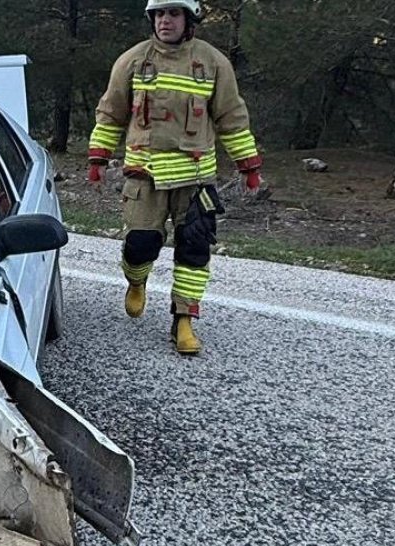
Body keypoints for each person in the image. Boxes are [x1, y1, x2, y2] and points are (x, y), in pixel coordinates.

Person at [86, 0, 262, 355]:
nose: (166, 20)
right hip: (144, 174)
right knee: (141, 244)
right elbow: (111, 114)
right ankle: (137, 281)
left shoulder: (213, 63)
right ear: (152, 18)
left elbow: (231, 117)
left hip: (195, 176)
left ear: (189, 18)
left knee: (194, 249)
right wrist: (98, 157)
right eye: (160, 14)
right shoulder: (133, 60)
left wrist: (248, 165)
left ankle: (184, 320)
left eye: (174, 13)